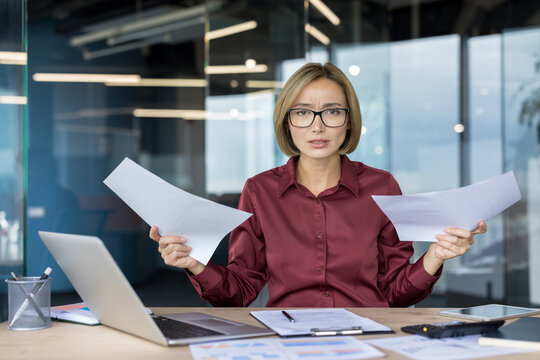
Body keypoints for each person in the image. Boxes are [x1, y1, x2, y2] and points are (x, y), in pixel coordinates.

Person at [150, 62, 487, 307]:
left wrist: (435, 256)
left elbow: (397, 293)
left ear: (349, 120)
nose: (317, 126)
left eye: (332, 112)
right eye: (303, 112)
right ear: (287, 121)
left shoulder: (381, 186)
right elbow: (238, 292)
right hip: (287, 337)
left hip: (370, 334)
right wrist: (193, 263)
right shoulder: (259, 191)